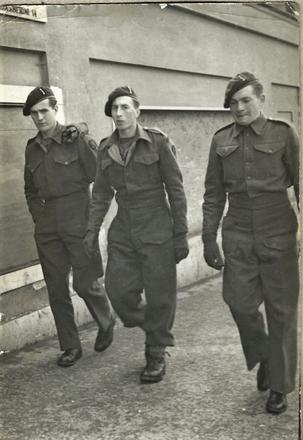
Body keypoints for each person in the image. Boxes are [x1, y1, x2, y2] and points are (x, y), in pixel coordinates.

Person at [202, 72, 299, 414]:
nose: (239, 107)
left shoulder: (284, 134)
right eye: (233, 102)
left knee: (281, 311)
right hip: (238, 230)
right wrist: (208, 238)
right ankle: (264, 356)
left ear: (261, 100)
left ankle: (280, 386)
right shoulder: (221, 140)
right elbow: (213, 193)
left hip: (277, 229)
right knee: (239, 303)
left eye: (245, 100)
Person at [84, 86, 189, 383]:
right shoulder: (105, 149)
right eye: (114, 108)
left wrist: (180, 234)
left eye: (125, 107)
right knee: (117, 290)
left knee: (160, 294)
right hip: (124, 227)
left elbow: (176, 190)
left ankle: (155, 351)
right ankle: (157, 329)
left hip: (157, 224)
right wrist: (91, 232)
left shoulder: (157, 142)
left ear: (137, 110)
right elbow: (101, 196)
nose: (119, 113)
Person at [23, 86, 115, 367]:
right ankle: (70, 346)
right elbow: (29, 189)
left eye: (44, 111)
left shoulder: (75, 139)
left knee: (86, 282)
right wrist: (40, 217)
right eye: (34, 113)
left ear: (55, 109)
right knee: (56, 288)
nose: (39, 118)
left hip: (78, 217)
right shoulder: (32, 148)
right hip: (48, 223)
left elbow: (100, 180)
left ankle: (106, 319)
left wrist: (92, 220)